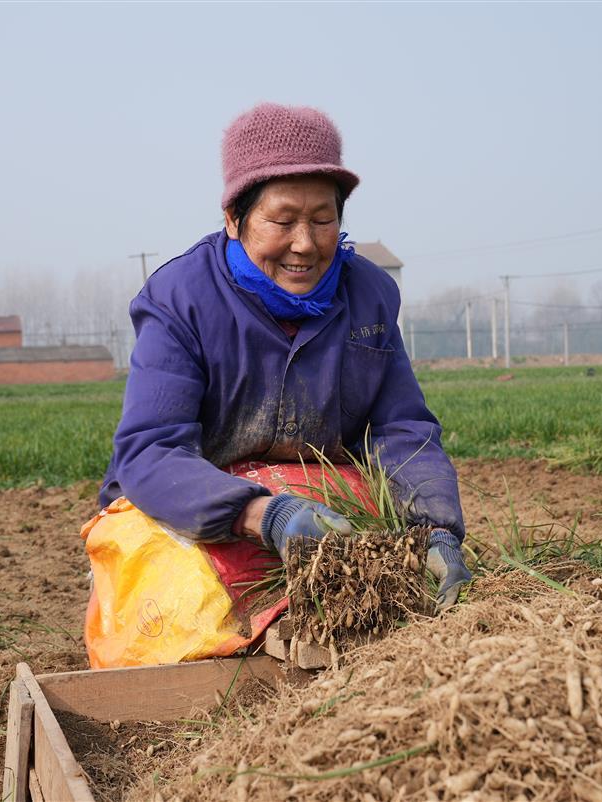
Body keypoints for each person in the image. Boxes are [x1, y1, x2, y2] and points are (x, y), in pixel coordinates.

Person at [98, 103, 470, 610]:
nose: (305, 245)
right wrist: (260, 514)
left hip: (319, 506)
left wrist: (436, 528)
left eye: (323, 220)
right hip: (196, 505)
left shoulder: (369, 295)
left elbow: (401, 428)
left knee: (381, 584)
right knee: (183, 608)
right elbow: (151, 450)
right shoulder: (179, 298)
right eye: (283, 220)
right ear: (234, 218)